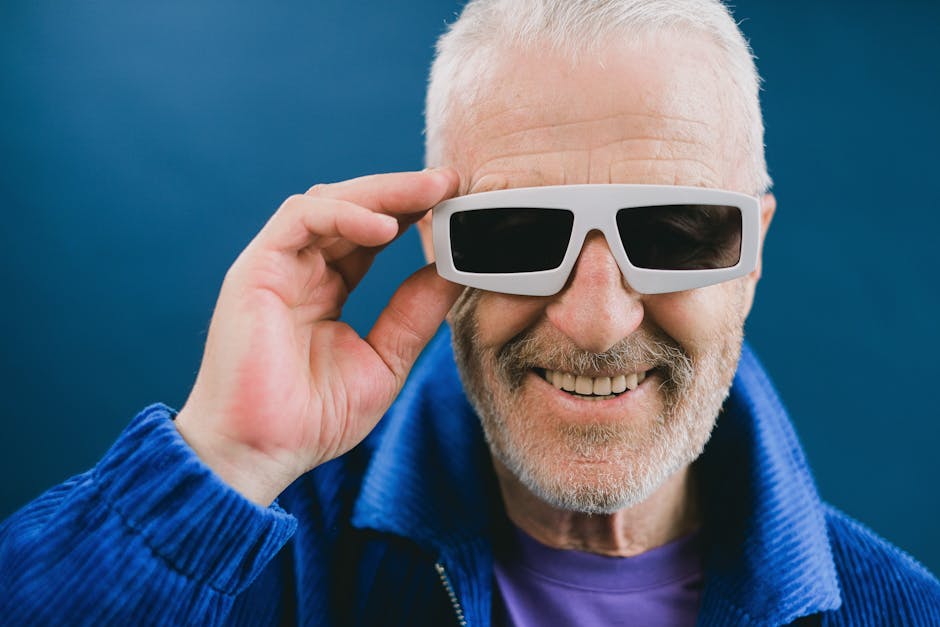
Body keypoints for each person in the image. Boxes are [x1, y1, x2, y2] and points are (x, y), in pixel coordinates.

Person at [1, 0, 938, 624]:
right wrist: (222, 459)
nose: (597, 320)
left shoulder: (897, 607)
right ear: (436, 246)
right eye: (518, 235)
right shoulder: (257, 566)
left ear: (752, 253)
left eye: (678, 231)